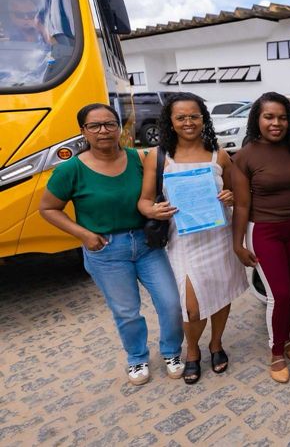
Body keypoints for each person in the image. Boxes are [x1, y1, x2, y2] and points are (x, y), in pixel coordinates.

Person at [40, 103, 184, 386]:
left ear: (120, 128)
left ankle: (172, 352)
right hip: (106, 250)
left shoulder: (140, 158)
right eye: (94, 126)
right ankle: (137, 357)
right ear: (83, 131)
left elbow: (177, 173)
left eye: (109, 124)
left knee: (171, 303)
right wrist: (83, 234)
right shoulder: (71, 169)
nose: (103, 131)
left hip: (147, 244)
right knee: (127, 311)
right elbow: (48, 208)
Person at [138, 92, 247, 384]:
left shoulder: (218, 155)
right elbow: (144, 201)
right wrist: (154, 210)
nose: (188, 122)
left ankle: (217, 344)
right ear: (170, 121)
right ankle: (193, 350)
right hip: (183, 241)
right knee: (192, 306)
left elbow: (236, 193)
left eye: (194, 116)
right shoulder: (157, 156)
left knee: (221, 292)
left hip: (218, 235)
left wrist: (230, 196)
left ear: (203, 119)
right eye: (181, 117)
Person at [231, 92, 290, 383]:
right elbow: (241, 205)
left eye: (282, 118)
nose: (276, 123)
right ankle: (276, 352)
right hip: (265, 230)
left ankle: (286, 339)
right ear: (257, 119)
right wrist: (238, 244)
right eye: (269, 117)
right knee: (280, 294)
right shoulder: (245, 156)